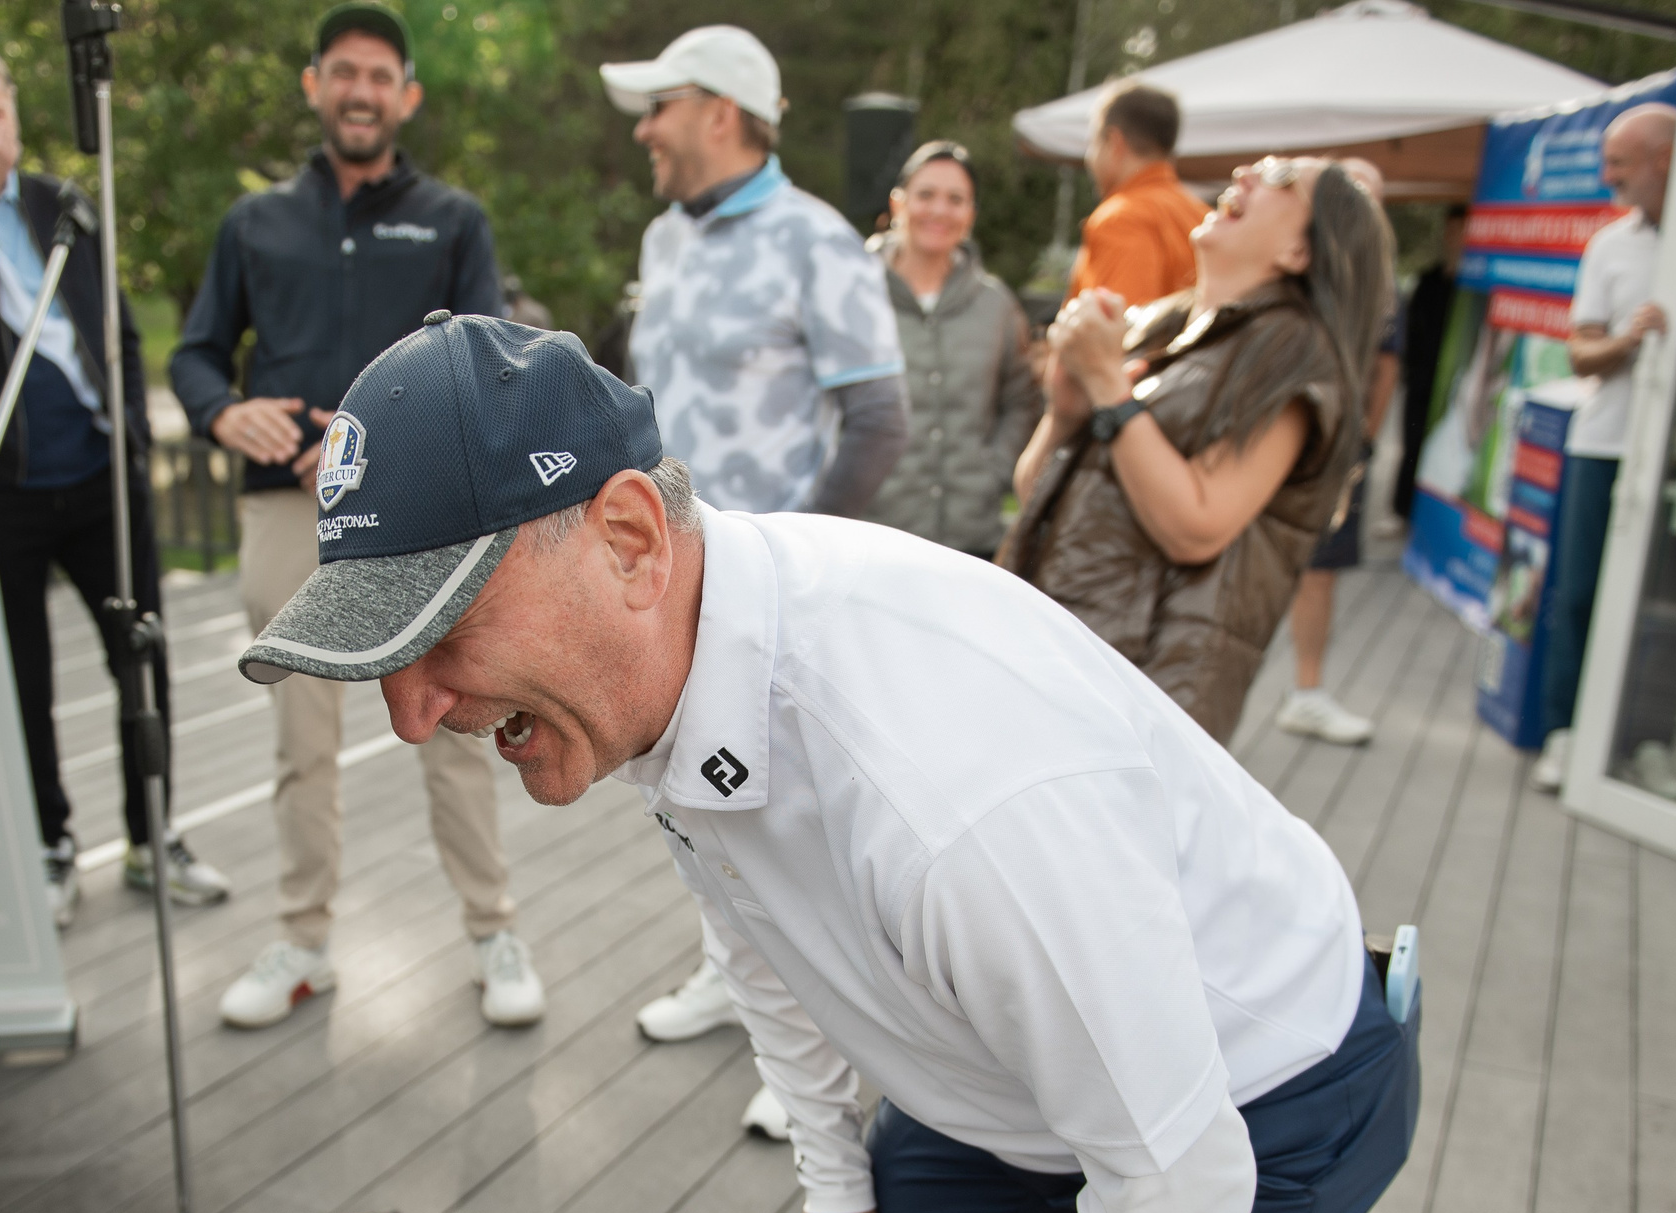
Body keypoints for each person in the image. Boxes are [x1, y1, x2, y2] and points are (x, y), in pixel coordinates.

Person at [233, 313, 1419, 1213]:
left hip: (1257, 1104)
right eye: (387, 652)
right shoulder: (675, 651)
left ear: (626, 533)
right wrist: (833, 1180)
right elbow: (759, 925)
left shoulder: (950, 793)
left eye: (442, 629)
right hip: (1012, 1073)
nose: (412, 713)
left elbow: (1179, 1178)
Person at [169, 2, 544, 1031]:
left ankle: (492, 929)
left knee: (456, 723)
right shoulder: (253, 224)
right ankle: (301, 938)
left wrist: (383, 421)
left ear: (406, 94)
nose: (362, 90)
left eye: (381, 75)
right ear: (314, 84)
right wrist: (220, 407)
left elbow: (486, 356)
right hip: (286, 515)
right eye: (344, 71)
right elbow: (196, 352)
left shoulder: (454, 218)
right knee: (300, 735)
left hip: (415, 512)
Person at [598, 23, 909, 1138]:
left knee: (793, 825)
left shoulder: (817, 240)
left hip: (774, 587)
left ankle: (817, 1051)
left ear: (720, 112)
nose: (644, 129)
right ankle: (733, 980)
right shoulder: (663, 240)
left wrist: (795, 565)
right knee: (691, 801)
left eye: (659, 107)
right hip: (669, 585)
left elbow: (879, 420)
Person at [0, 39, 231, 926]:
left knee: (141, 655)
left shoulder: (60, 203)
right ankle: (52, 843)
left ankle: (153, 831)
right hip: (6, 489)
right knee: (24, 674)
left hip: (100, 474)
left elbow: (118, 330)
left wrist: (132, 431)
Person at [1004, 158, 1395, 744]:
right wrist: (1065, 414)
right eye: (1257, 165)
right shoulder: (1166, 326)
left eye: (1281, 178)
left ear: (1299, 252)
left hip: (1142, 696)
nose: (1246, 174)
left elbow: (1197, 524)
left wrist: (1111, 388)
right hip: (1060, 657)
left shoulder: (1294, 352)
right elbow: (1036, 495)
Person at [1532, 105, 1673, 795]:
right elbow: (1582, 352)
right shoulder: (1611, 245)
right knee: (1581, 590)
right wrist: (1626, 341)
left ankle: (1648, 741)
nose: (1608, 175)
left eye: (1619, 161)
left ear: (1665, 158)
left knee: (1667, 605)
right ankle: (1566, 733)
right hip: (1605, 444)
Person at [865, 140, 1042, 559]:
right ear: (898, 203)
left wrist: (993, 472)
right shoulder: (852, 293)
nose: (939, 210)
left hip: (971, 539)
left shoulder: (996, 305)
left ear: (971, 215)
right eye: (926, 195)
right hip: (870, 536)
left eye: (956, 199)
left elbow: (1021, 400)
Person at [1275, 157, 1399, 748]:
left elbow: (1385, 369)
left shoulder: (1374, 291)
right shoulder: (1283, 299)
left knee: (1320, 570)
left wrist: (1362, 442)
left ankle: (1307, 690)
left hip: (1337, 446)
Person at [1070, 82, 1213, 306]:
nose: (1089, 157)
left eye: (1093, 143)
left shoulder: (1121, 219)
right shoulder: (1204, 216)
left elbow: (1117, 331)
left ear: (1114, 142)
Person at [1391, 203, 1466, 523]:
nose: (1454, 238)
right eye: (1451, 231)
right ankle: (1404, 510)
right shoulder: (1428, 281)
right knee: (1412, 443)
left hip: (1454, 383)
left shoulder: (1472, 288)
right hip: (1422, 380)